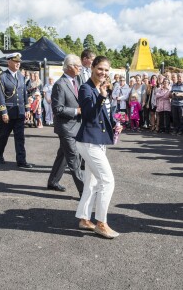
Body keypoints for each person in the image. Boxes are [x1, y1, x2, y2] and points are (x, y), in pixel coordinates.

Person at [75, 56, 123, 239]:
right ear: (93, 67)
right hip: (88, 141)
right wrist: (102, 97)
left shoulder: (102, 88)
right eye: (100, 69)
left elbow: (106, 114)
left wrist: (115, 123)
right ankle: (101, 223)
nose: (103, 73)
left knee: (92, 182)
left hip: (98, 141)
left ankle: (84, 218)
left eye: (106, 70)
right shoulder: (85, 88)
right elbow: (88, 115)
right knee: (108, 181)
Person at [47, 54, 84, 196]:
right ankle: (84, 192)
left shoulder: (77, 81)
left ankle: (53, 182)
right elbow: (57, 109)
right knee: (74, 159)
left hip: (76, 126)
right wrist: (77, 111)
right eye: (77, 66)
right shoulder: (60, 85)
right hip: (66, 128)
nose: (80, 68)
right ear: (69, 67)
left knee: (62, 156)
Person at [0, 52, 32, 168]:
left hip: (19, 112)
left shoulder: (21, 76)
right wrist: (3, 112)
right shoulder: (2, 77)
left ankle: (21, 161)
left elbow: (24, 93)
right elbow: (0, 96)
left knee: (20, 138)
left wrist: (27, 109)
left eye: (19, 62)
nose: (18, 64)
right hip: (8, 112)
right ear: (9, 62)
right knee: (3, 136)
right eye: (15, 62)